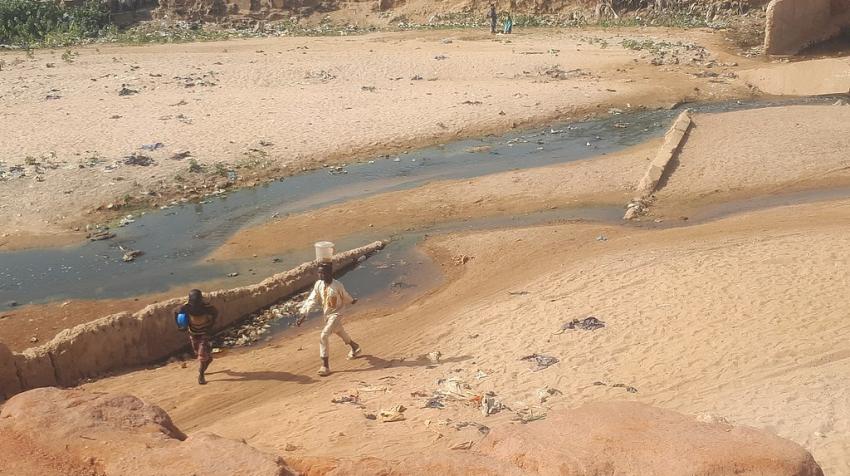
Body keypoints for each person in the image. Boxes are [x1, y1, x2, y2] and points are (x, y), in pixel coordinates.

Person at [296, 263, 361, 376]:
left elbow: (344, 295)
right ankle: (355, 347)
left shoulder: (337, 285)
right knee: (339, 331)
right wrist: (304, 314)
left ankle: (325, 366)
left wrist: (351, 301)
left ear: (329, 273)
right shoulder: (318, 284)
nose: (320, 275)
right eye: (319, 272)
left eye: (322, 272)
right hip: (327, 315)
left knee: (324, 335)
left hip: (337, 313)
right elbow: (312, 299)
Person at [175, 289, 219, 385]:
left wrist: (211, 326)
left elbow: (215, 313)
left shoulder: (207, 307)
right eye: (193, 303)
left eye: (197, 303)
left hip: (204, 333)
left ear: (201, 301)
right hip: (193, 332)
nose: (196, 305)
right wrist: (180, 326)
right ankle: (208, 359)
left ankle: (201, 374)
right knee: (197, 351)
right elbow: (176, 312)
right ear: (190, 301)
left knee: (201, 354)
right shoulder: (186, 307)